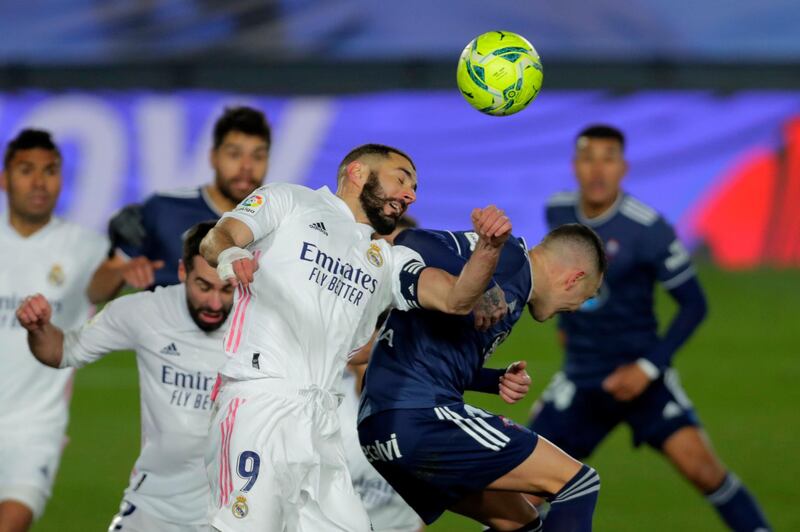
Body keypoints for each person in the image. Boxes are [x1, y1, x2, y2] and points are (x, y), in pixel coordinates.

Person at [200, 143, 512, 531]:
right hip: (259, 401)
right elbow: (219, 237)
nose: (410, 194)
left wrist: (488, 248)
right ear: (358, 172)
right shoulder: (291, 201)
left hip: (321, 421)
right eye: (401, 178)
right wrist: (230, 255)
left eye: (415, 187)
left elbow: (454, 299)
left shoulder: (386, 258)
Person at [527, 125, 771, 531]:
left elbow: (694, 304)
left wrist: (647, 367)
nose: (598, 170)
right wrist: (565, 326)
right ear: (575, 166)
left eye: (608, 159)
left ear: (623, 167)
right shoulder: (558, 212)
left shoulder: (648, 228)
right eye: (589, 159)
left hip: (642, 376)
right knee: (523, 492)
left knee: (704, 471)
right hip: (582, 380)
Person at [358, 223, 607, 532]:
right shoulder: (511, 257)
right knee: (578, 482)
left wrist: (493, 380)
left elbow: (436, 354)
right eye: (588, 297)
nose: (577, 308)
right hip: (418, 417)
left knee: (521, 524)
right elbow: (412, 239)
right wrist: (484, 282)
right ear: (575, 278)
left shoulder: (515, 287)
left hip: (381, 427)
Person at [15, 221, 233, 532]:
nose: (215, 302)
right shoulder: (146, 312)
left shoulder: (258, 323)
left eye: (226, 288)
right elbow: (61, 351)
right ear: (183, 272)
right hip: (153, 506)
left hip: (226, 517)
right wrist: (38, 329)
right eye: (203, 286)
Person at [0, 129, 108, 531]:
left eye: (50, 171)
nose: (39, 181)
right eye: (26, 170)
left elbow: (109, 281)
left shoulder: (87, 247)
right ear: (4, 177)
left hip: (35, 428)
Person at [87, 105, 271, 303]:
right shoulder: (164, 209)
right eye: (234, 154)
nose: (246, 167)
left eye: (258, 156)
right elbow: (96, 292)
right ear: (213, 157)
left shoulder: (279, 221)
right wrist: (122, 272)